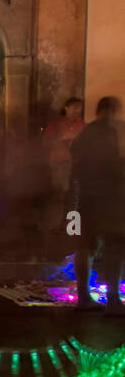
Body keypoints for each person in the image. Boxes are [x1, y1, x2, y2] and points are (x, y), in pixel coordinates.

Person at [69, 96, 125, 311]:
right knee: (113, 247)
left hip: (86, 198)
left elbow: (75, 166)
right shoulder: (117, 133)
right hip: (112, 199)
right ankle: (112, 299)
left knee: (85, 247)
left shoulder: (85, 134)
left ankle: (84, 297)